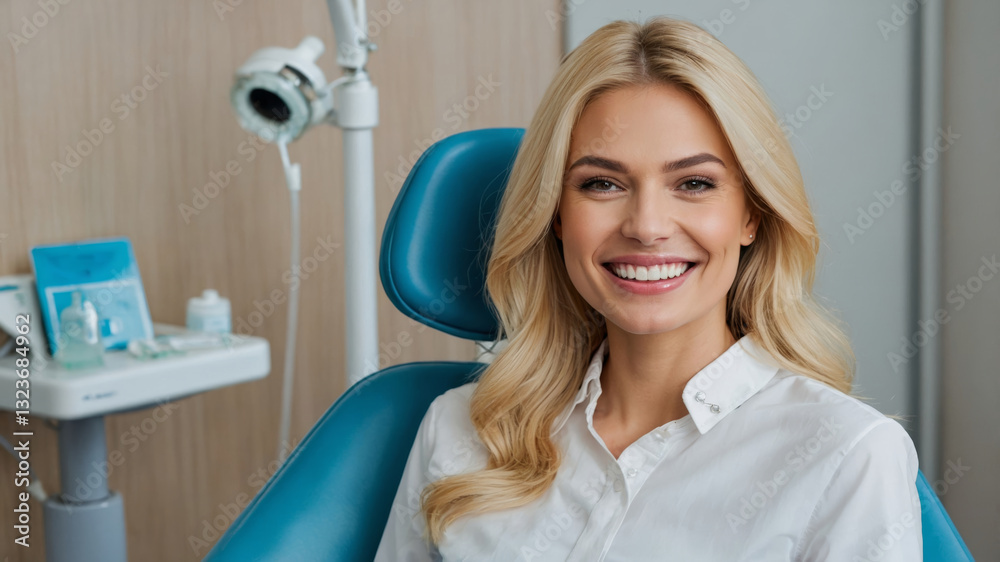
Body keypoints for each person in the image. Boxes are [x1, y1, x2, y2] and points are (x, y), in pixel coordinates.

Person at [375, 16, 922, 562]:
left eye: (694, 183)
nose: (647, 225)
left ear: (751, 215)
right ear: (556, 214)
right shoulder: (457, 430)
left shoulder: (848, 455)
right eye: (602, 183)